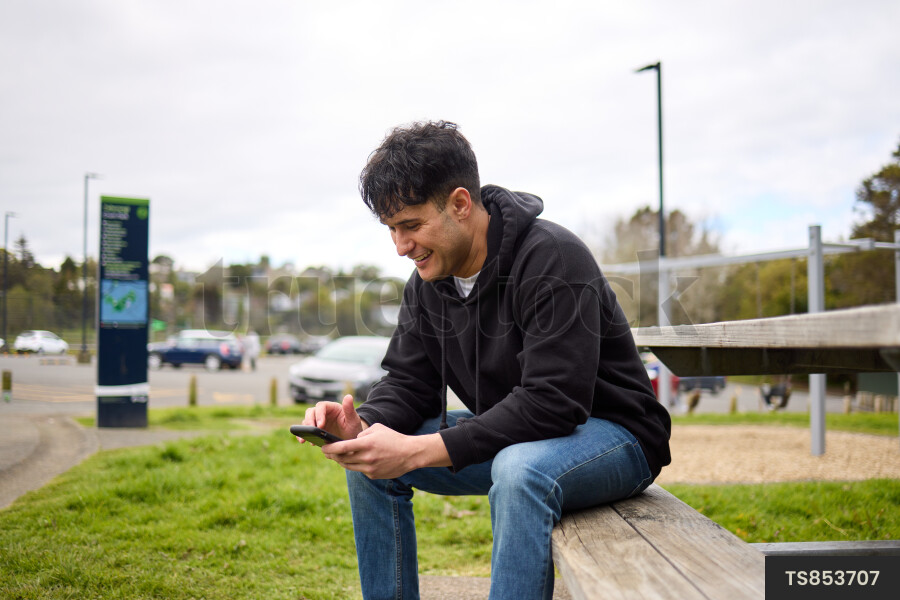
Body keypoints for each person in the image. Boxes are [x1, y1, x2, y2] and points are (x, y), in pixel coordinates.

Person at [299, 120, 672, 600]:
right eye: (392, 230)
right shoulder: (428, 282)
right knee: (371, 452)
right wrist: (362, 422)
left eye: (411, 225)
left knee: (520, 471)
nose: (400, 246)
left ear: (459, 204)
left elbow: (553, 402)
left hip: (617, 437)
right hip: (523, 435)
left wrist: (419, 450)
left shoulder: (553, 257)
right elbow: (410, 382)